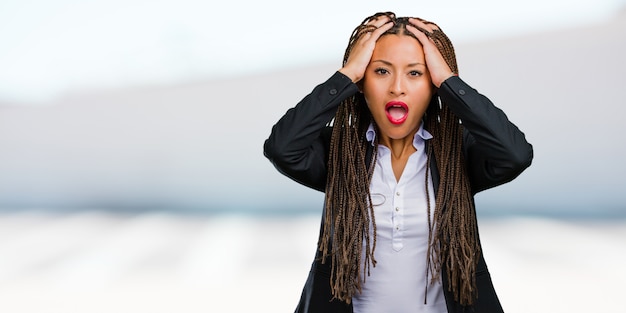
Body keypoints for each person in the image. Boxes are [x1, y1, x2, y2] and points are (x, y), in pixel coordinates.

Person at [263, 11, 533, 313]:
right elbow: (281, 147)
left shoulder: (457, 152)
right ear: (362, 82)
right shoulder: (341, 151)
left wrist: (449, 80)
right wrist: (346, 74)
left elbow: (515, 154)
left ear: (432, 85)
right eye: (381, 71)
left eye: (415, 73)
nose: (397, 87)